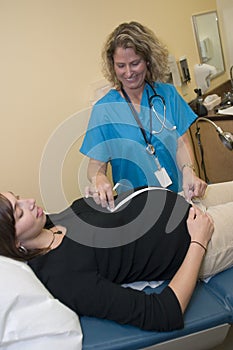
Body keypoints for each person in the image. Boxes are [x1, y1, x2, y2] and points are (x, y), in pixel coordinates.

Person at [0, 181, 233, 331]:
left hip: (185, 202)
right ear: (15, 243)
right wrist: (199, 242)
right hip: (202, 236)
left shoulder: (51, 222)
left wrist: (100, 194)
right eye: (20, 212)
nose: (29, 202)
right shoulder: (64, 277)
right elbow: (164, 313)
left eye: (18, 197)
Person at [80, 21, 207, 209]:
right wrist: (98, 178)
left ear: (148, 60)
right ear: (112, 66)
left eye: (135, 63)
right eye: (121, 65)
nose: (128, 72)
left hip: (180, 196)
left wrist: (189, 170)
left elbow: (182, 143)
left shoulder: (168, 95)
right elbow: (96, 163)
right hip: (135, 207)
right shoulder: (104, 110)